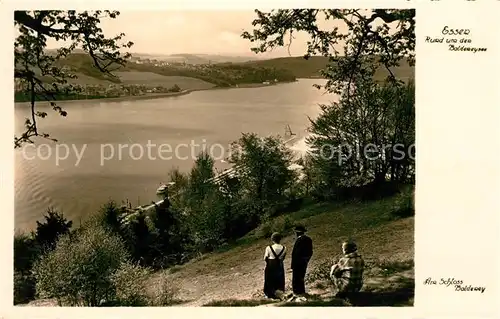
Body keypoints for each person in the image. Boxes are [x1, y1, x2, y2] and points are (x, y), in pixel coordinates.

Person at [263, 232, 286, 299]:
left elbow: (265, 258)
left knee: (269, 279)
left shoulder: (268, 248)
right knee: (279, 279)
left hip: (271, 265)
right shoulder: (284, 248)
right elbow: (283, 258)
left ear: (272, 239)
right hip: (280, 265)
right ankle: (279, 293)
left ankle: (269, 294)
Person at [291, 225, 313, 296]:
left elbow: (296, 254)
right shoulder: (308, 239)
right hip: (304, 262)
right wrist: (306, 260)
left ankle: (297, 293)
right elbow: (310, 252)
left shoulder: (299, 240)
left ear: (297, 233)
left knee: (296, 278)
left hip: (297, 263)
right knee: (301, 277)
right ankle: (302, 292)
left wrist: (294, 264)